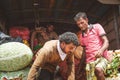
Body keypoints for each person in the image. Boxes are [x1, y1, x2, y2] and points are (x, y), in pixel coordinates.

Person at [74, 12, 111, 80]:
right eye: (78, 24)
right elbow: (84, 53)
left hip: (101, 59)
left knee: (98, 70)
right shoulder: (82, 37)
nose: (80, 26)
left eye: (82, 22)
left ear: (87, 20)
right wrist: (79, 69)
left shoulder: (97, 27)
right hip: (89, 63)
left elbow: (106, 41)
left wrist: (101, 50)